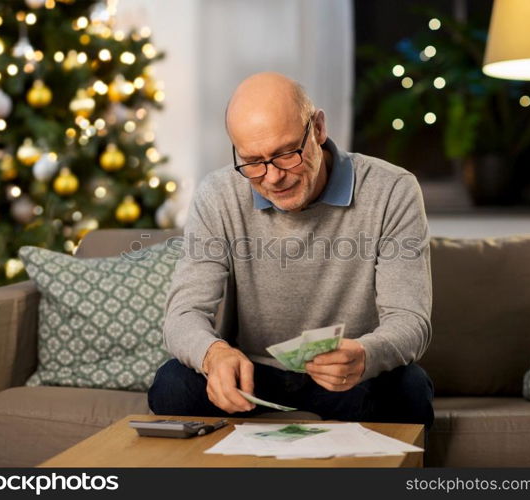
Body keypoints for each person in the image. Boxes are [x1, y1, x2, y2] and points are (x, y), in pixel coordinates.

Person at [148, 72, 434, 430]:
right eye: (252, 161)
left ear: (317, 128)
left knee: (409, 389)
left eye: (286, 154)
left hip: (347, 377)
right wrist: (215, 355)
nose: (272, 177)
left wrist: (365, 355)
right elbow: (183, 313)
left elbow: (410, 321)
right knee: (172, 386)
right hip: (252, 376)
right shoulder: (219, 194)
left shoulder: (393, 190)